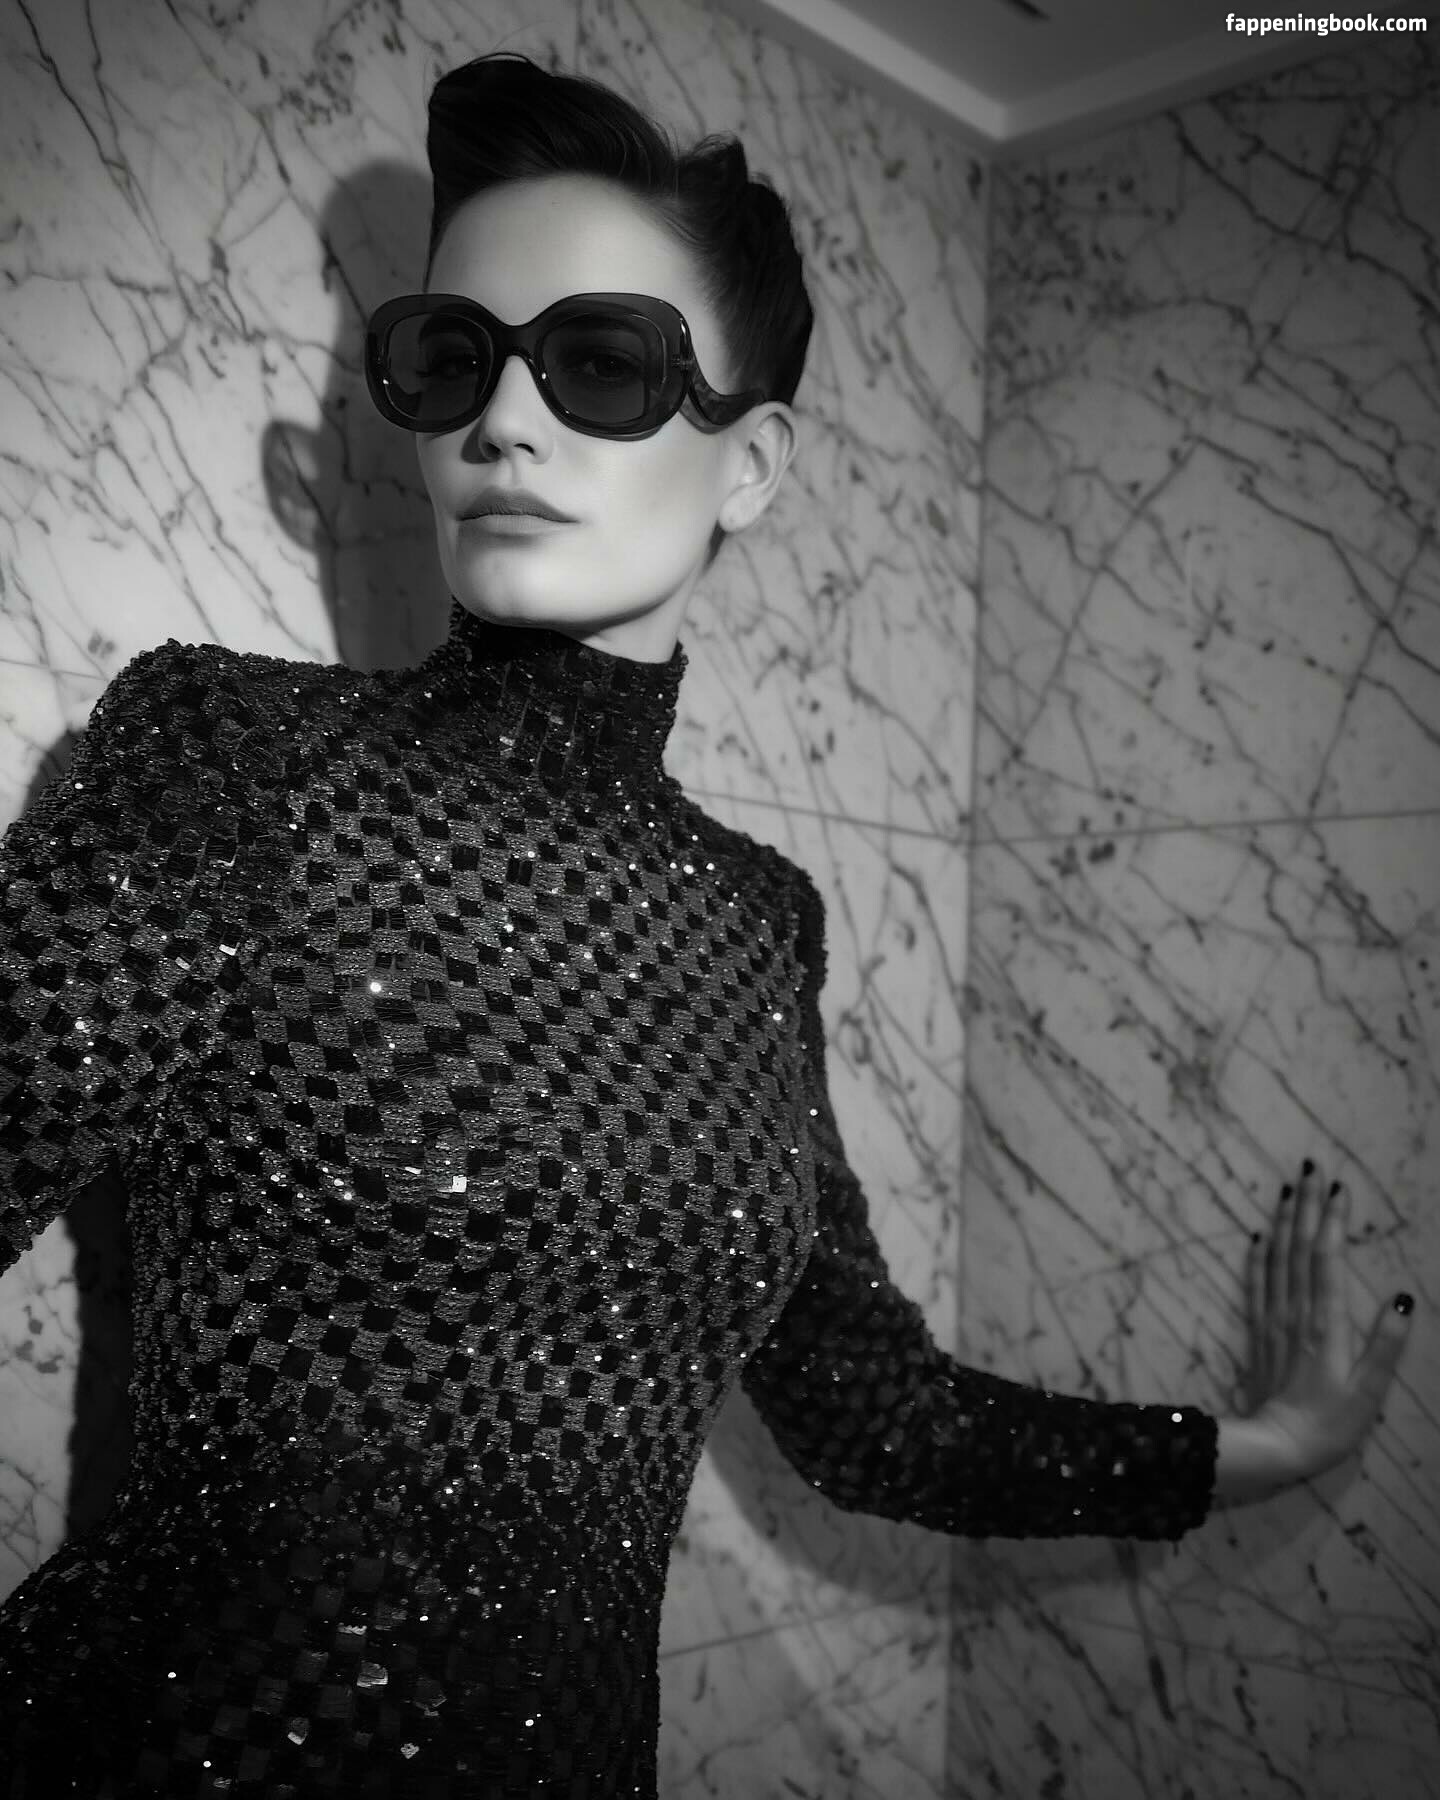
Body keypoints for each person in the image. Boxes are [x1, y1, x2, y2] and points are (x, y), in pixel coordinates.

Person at [0, 49, 1413, 1800]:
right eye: (452, 358)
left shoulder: (756, 926)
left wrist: (1267, 1444)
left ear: (751, 464)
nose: (503, 424)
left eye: (599, 363)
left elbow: (874, 1417)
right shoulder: (238, 763)